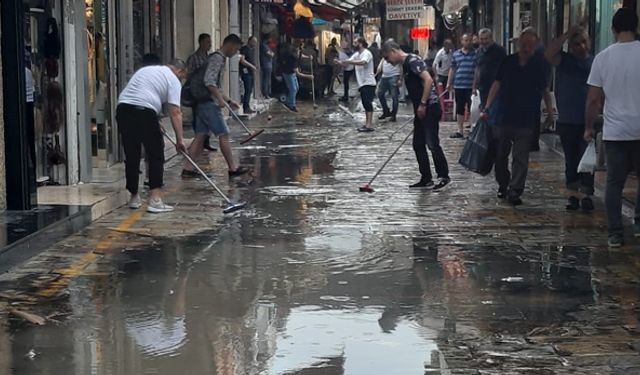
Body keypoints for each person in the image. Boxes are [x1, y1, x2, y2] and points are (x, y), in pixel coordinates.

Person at [585, 8, 640, 248]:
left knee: (614, 183)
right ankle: (638, 225)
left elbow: (593, 99)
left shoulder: (603, 58)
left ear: (613, 30)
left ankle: (615, 233)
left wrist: (589, 126)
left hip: (616, 131)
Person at [482, 28, 552, 206]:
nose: (526, 48)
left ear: (535, 46)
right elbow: (497, 84)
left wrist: (550, 111)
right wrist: (487, 107)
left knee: (521, 157)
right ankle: (503, 184)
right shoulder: (508, 62)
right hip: (503, 116)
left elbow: (545, 90)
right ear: (519, 44)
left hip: (526, 118)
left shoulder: (539, 66)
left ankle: (515, 190)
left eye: (530, 45)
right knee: (500, 155)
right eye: (524, 44)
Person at [116, 59, 187, 213]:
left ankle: (134, 197)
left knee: (132, 153)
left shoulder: (148, 70)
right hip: (144, 110)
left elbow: (143, 93)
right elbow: (175, 112)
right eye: (182, 77)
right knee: (155, 153)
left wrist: (153, 120)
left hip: (123, 108)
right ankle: (155, 199)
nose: (181, 80)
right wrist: (180, 140)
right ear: (180, 72)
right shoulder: (173, 80)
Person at [381, 41, 450, 190]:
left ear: (393, 51)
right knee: (418, 144)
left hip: (429, 107)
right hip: (420, 109)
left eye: (387, 58)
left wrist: (423, 103)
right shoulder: (404, 64)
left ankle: (443, 175)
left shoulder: (413, 61)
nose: (388, 62)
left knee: (432, 143)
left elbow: (428, 79)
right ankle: (426, 178)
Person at [182, 34, 248, 179]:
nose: (236, 52)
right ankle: (233, 168)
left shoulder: (216, 58)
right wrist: (220, 100)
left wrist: (228, 100)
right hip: (207, 103)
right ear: (230, 45)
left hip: (202, 101)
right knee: (223, 134)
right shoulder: (217, 58)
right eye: (236, 49)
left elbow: (216, 85)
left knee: (200, 136)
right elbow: (209, 82)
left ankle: (188, 168)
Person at [545, 25, 594, 212]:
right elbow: (548, 54)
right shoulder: (565, 60)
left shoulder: (595, 62)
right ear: (571, 46)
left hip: (587, 120)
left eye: (584, 42)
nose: (581, 46)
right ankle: (573, 196)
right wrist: (565, 34)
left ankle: (587, 196)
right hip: (567, 120)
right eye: (576, 44)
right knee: (571, 161)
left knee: (587, 161)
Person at [336, 37, 377, 132]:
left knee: (367, 103)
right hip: (362, 83)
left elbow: (363, 62)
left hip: (368, 82)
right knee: (365, 103)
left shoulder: (366, 53)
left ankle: (369, 125)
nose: (353, 44)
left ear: (361, 44)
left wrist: (348, 61)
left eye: (355, 43)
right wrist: (339, 62)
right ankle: (367, 124)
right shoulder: (357, 54)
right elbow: (347, 63)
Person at [186, 33, 216, 152]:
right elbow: (189, 75)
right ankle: (198, 141)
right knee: (197, 116)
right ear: (201, 42)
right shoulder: (193, 58)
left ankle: (206, 141)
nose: (210, 44)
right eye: (208, 42)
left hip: (207, 91)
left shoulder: (209, 57)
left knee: (207, 116)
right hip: (196, 92)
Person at [447, 34, 476, 138]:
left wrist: (475, 85)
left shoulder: (475, 54)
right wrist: (449, 83)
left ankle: (472, 130)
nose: (467, 42)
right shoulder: (456, 54)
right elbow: (452, 69)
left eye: (469, 40)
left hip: (471, 86)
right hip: (459, 85)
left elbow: (478, 70)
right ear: (462, 41)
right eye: (465, 40)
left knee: (472, 108)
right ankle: (460, 130)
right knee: (460, 108)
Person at [472, 28, 506, 109]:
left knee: (495, 111)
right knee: (484, 111)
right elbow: (477, 69)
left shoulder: (500, 50)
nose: (484, 41)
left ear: (491, 38)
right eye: (481, 39)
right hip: (483, 87)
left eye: (486, 39)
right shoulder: (479, 51)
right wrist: (474, 86)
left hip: (497, 87)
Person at [279, 42, 314, 112]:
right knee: (293, 89)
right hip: (288, 73)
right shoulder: (293, 59)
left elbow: (301, 55)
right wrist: (309, 76)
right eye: (299, 51)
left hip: (292, 73)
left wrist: (308, 57)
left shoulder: (296, 53)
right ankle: (292, 105)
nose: (300, 53)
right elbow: (298, 73)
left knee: (297, 87)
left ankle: (288, 101)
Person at [376, 58, 401, 122]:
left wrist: (400, 79)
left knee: (394, 96)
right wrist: (379, 69)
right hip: (384, 76)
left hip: (394, 76)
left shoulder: (395, 55)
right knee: (380, 94)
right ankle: (386, 111)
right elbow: (381, 63)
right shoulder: (385, 56)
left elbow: (401, 67)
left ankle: (393, 115)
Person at [239, 36, 258, 114]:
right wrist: (251, 66)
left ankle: (248, 106)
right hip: (245, 72)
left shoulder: (252, 50)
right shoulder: (244, 49)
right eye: (253, 41)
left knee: (250, 90)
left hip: (250, 72)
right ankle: (245, 107)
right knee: (247, 89)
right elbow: (242, 60)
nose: (254, 44)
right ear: (249, 41)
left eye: (255, 42)